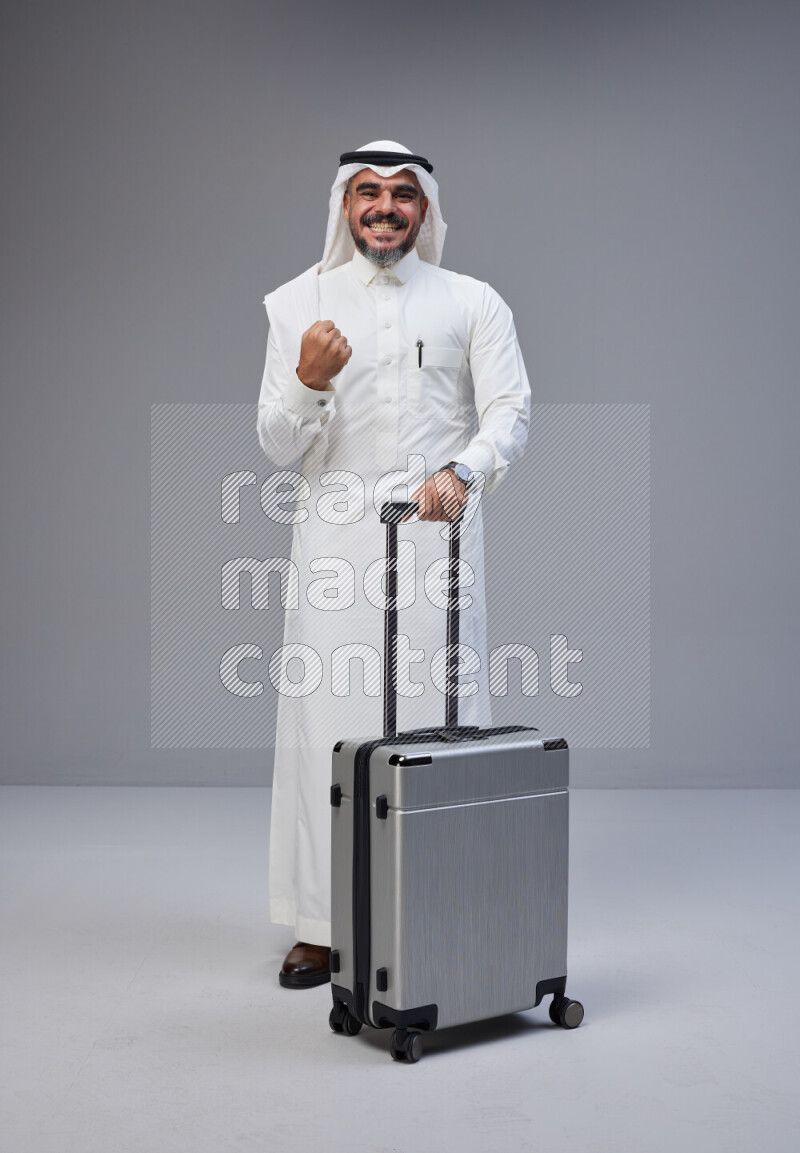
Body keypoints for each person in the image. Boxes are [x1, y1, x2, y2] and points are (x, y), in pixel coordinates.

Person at [257, 140, 530, 988]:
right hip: (336, 543)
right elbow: (275, 444)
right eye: (367, 192)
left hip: (437, 541)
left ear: (426, 209)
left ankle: (442, 904)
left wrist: (466, 470)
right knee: (327, 729)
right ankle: (321, 923)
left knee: (442, 724)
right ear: (344, 206)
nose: (384, 206)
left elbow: (512, 410)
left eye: (402, 193)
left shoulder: (472, 302)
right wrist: (306, 381)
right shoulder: (296, 301)